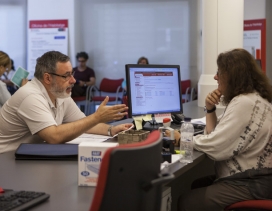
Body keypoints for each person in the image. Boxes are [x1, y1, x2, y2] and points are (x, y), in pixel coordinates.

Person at [166, 48, 272, 211]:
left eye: (219, 72)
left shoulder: (244, 103)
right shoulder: (252, 98)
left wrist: (182, 139)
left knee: (188, 202)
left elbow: (215, 146)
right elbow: (215, 134)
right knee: (196, 184)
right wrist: (210, 109)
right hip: (254, 178)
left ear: (232, 76)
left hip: (253, 183)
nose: (215, 77)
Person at [0, 51, 132, 153]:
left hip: (27, 154)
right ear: (47, 78)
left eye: (72, 74)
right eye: (66, 75)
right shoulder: (30, 96)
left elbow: (82, 123)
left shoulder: (60, 93)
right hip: (6, 159)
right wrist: (96, 117)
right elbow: (54, 136)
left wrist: (112, 129)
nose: (73, 80)